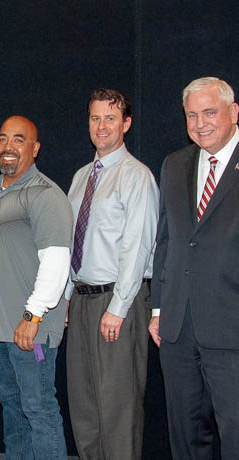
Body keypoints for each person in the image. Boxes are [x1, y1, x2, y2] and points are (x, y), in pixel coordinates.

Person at [0, 115, 72, 460]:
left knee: (38, 409)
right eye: (2, 139)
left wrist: (33, 314)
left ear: (35, 148)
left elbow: (57, 262)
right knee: (12, 409)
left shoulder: (45, 195)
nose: (8, 147)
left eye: (18, 139)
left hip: (32, 330)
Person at [65, 88, 159, 460]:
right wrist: (69, 298)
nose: (101, 126)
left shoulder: (137, 177)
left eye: (109, 118)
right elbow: (74, 244)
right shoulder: (80, 177)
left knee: (117, 412)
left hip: (118, 301)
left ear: (126, 124)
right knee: (85, 411)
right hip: (84, 301)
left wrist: (118, 308)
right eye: (94, 117)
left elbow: (138, 248)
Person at [149, 76, 239, 459]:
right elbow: (166, 240)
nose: (200, 123)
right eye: (191, 115)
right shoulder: (174, 164)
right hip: (178, 329)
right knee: (185, 436)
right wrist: (157, 308)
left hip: (232, 327)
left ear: (233, 112)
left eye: (209, 112)